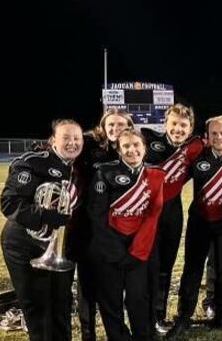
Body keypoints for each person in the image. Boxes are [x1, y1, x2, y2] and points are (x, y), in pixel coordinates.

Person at [165, 117, 222, 339]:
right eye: (214, 133)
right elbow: (172, 181)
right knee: (192, 270)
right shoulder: (197, 155)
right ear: (207, 137)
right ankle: (184, 317)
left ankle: (221, 316)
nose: (219, 137)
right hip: (200, 221)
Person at [0, 119, 85, 341]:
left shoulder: (80, 168)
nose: (72, 143)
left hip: (59, 247)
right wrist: (46, 216)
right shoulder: (32, 162)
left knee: (61, 305)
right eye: (66, 137)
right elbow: (10, 203)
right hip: (24, 243)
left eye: (77, 138)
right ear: (53, 140)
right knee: (37, 308)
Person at [88, 129, 164, 341]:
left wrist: (135, 251)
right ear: (118, 150)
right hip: (110, 246)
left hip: (138, 249)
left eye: (136, 145)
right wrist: (114, 251)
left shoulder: (156, 175)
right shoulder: (104, 172)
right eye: (126, 146)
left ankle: (143, 335)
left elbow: (152, 216)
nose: (132, 150)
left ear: (144, 147)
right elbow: (97, 215)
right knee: (110, 299)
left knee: (138, 297)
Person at [142, 104, 205, 331]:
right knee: (147, 265)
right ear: (166, 123)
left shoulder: (193, 148)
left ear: (190, 129)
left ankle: (158, 315)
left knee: (165, 267)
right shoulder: (148, 140)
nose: (178, 129)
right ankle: (144, 315)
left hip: (172, 212)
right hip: (147, 213)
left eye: (183, 125)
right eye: (174, 124)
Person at [76, 108, 134, 341]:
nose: (115, 129)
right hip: (87, 225)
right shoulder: (90, 146)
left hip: (117, 229)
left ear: (128, 127)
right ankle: (87, 332)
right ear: (103, 126)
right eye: (110, 125)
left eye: (120, 125)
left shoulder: (132, 147)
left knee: (113, 284)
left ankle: (117, 330)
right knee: (87, 282)